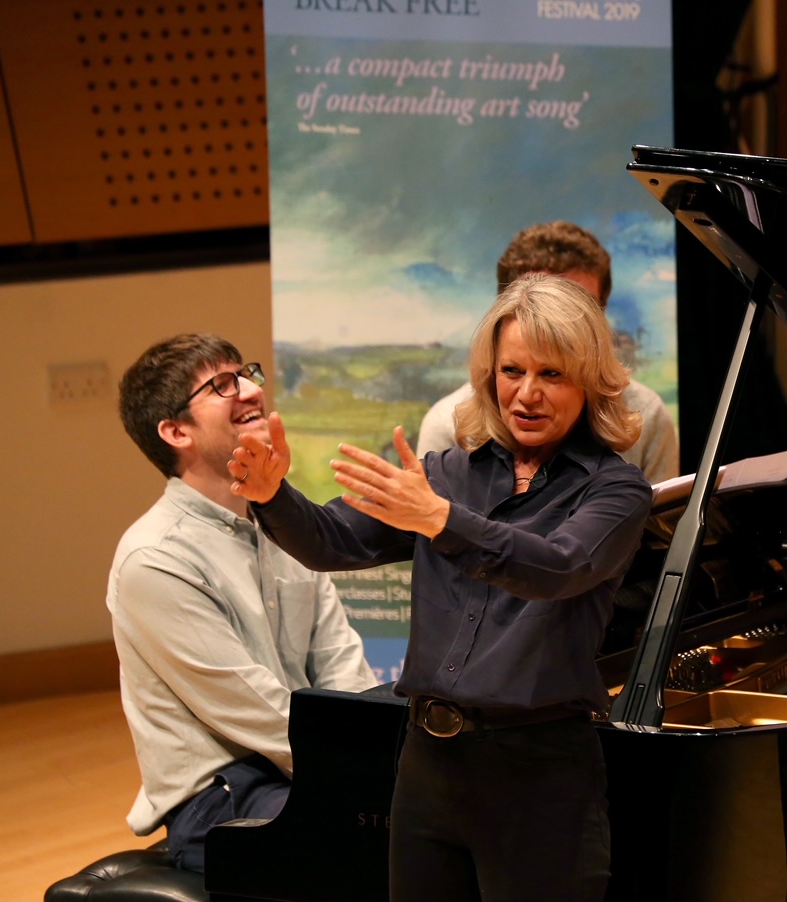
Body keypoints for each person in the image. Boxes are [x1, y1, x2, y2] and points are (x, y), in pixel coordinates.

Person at [230, 274, 654, 902]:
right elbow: (331, 541)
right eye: (512, 370)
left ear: (590, 380)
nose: (527, 394)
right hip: (427, 766)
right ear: (488, 375)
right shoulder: (445, 475)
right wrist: (272, 495)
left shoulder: (615, 490)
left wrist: (440, 520)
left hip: (538, 773)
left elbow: (557, 567)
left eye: (553, 375)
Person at [108, 333, 377, 872]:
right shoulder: (154, 558)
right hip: (223, 795)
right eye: (222, 385)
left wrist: (384, 747)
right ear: (176, 430)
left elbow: (342, 666)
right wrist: (375, 778)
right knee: (386, 847)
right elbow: (257, 713)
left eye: (247, 374)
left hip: (306, 763)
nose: (252, 390)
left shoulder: (286, 525)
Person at [417, 220, 679, 484]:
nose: (528, 394)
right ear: (504, 311)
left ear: (602, 313)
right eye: (533, 305)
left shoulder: (647, 416)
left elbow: (661, 524)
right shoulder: (446, 425)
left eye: (575, 308)